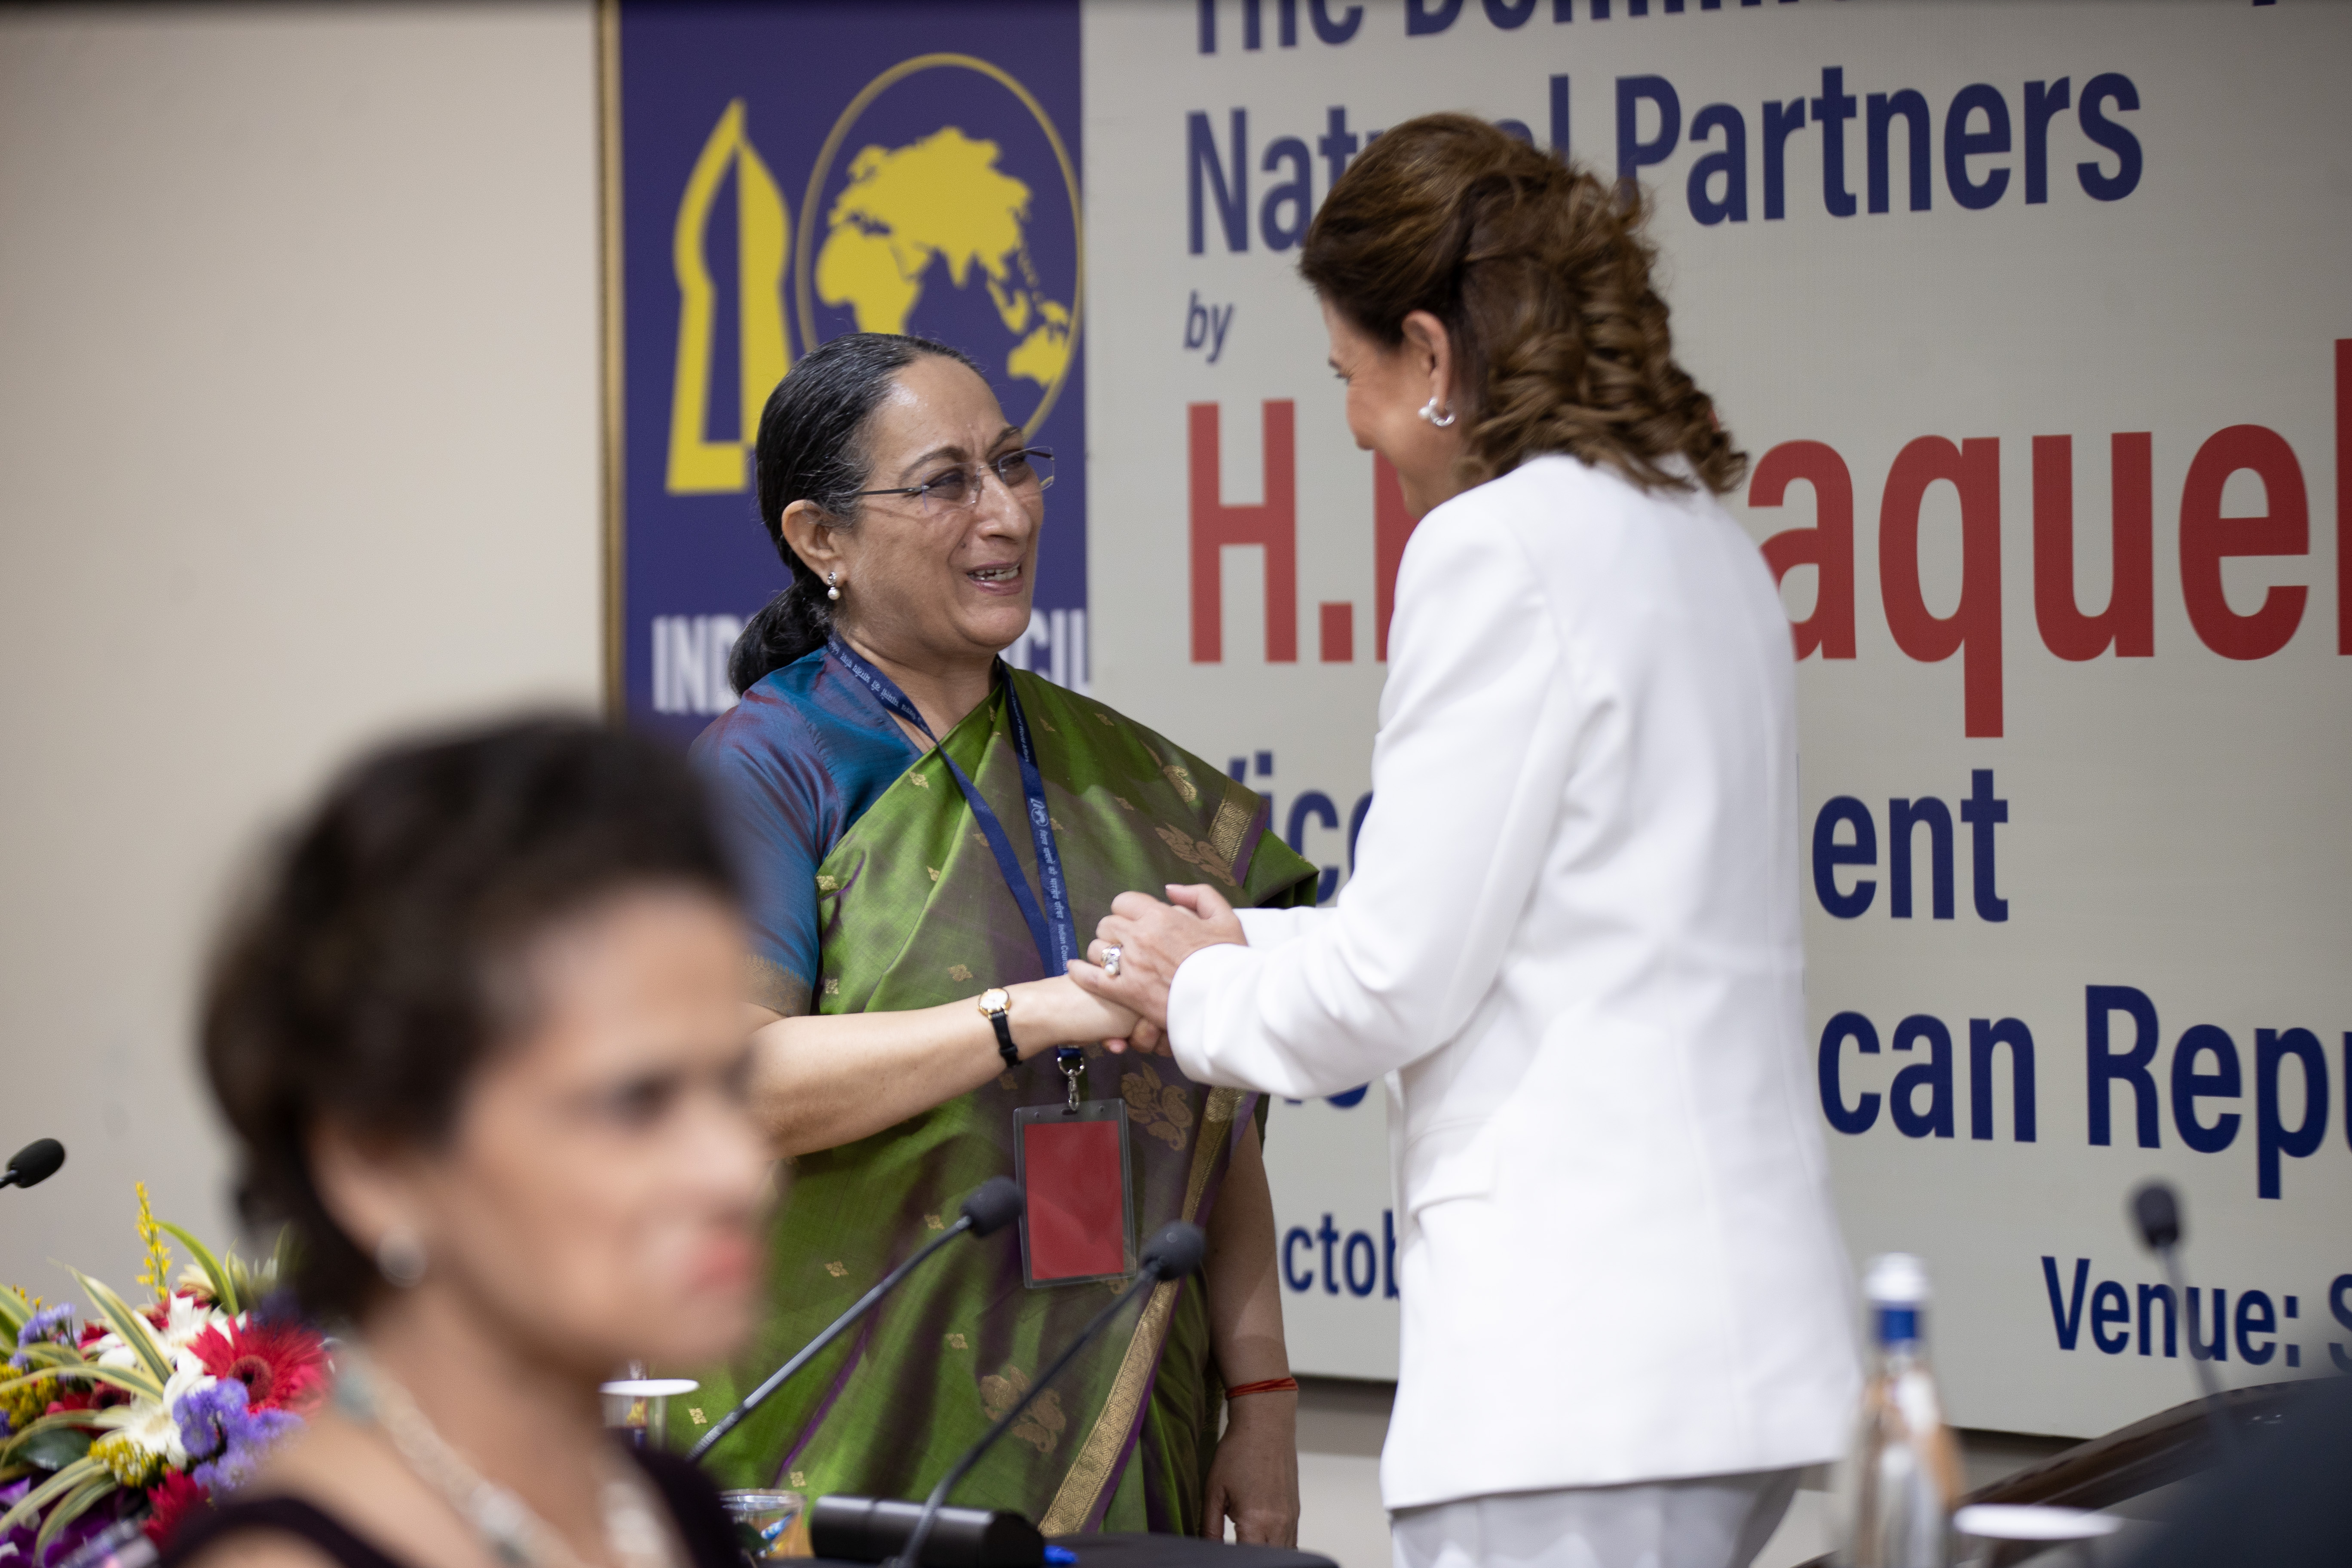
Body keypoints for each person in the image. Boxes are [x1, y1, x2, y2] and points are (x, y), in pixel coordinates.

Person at [1069, 116, 1861, 1568]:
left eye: (1347, 375)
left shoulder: (1495, 549)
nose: (1352, 424)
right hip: (1727, 1363)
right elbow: (1538, 921)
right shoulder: (1701, 540)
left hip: (1576, 1371)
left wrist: (1193, 991)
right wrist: (1245, 939)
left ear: (1431, 354)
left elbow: (1395, 985)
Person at [686, 332, 1314, 1543]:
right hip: (847, 1433)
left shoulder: (1130, 784)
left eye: (1015, 464)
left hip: (1123, 1402)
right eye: (946, 483)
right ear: (821, 540)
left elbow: (1213, 1128)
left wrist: (1266, 1399)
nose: (1007, 512)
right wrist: (1023, 1016)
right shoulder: (769, 767)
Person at [176, 717, 769, 1568]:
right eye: (637, 1104)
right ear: (375, 1162)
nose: (739, 1172)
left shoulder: (678, 1511)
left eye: (734, 1087)